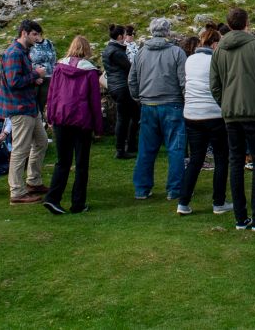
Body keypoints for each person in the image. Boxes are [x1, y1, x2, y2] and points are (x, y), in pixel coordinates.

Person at [210, 8, 255, 231]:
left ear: (229, 24)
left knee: (236, 162)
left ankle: (241, 217)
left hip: (232, 114)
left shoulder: (219, 50)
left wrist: (226, 104)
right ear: (246, 23)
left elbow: (214, 85)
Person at [43, 36, 104, 215]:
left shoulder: (59, 69)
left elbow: (52, 93)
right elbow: (94, 100)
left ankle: (53, 197)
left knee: (62, 161)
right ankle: (78, 203)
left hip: (61, 118)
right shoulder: (90, 72)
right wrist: (98, 127)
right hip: (82, 120)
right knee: (81, 163)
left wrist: (51, 115)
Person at [129, 17, 188, 201]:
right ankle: (175, 189)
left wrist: (139, 97)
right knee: (176, 149)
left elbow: (132, 80)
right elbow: (184, 81)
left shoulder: (140, 53)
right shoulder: (177, 53)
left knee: (146, 149)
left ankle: (141, 189)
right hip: (173, 105)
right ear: (168, 32)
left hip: (148, 105)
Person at [178, 28, 232, 216]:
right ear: (215, 44)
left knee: (195, 159)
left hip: (192, 114)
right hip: (213, 114)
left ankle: (183, 202)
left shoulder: (190, 60)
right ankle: (218, 202)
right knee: (221, 158)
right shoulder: (217, 60)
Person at [0, 20, 50, 205]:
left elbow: (21, 79)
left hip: (29, 106)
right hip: (20, 108)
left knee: (41, 141)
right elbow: (14, 82)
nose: (38, 39)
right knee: (20, 149)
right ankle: (17, 191)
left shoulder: (22, 52)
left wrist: (33, 79)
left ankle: (33, 181)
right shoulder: (14, 53)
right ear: (25, 33)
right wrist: (36, 74)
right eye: (35, 34)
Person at [103, 25, 138, 159]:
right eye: (125, 34)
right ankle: (121, 149)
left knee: (132, 115)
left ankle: (129, 145)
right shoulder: (116, 52)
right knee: (125, 117)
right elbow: (129, 68)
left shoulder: (109, 49)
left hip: (115, 86)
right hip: (122, 87)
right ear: (119, 37)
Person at [30, 35, 57, 119]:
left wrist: (54, 75)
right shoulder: (29, 44)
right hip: (35, 78)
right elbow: (27, 63)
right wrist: (35, 76)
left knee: (43, 103)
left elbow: (53, 60)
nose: (36, 35)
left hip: (49, 77)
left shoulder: (48, 43)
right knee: (34, 104)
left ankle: (42, 123)